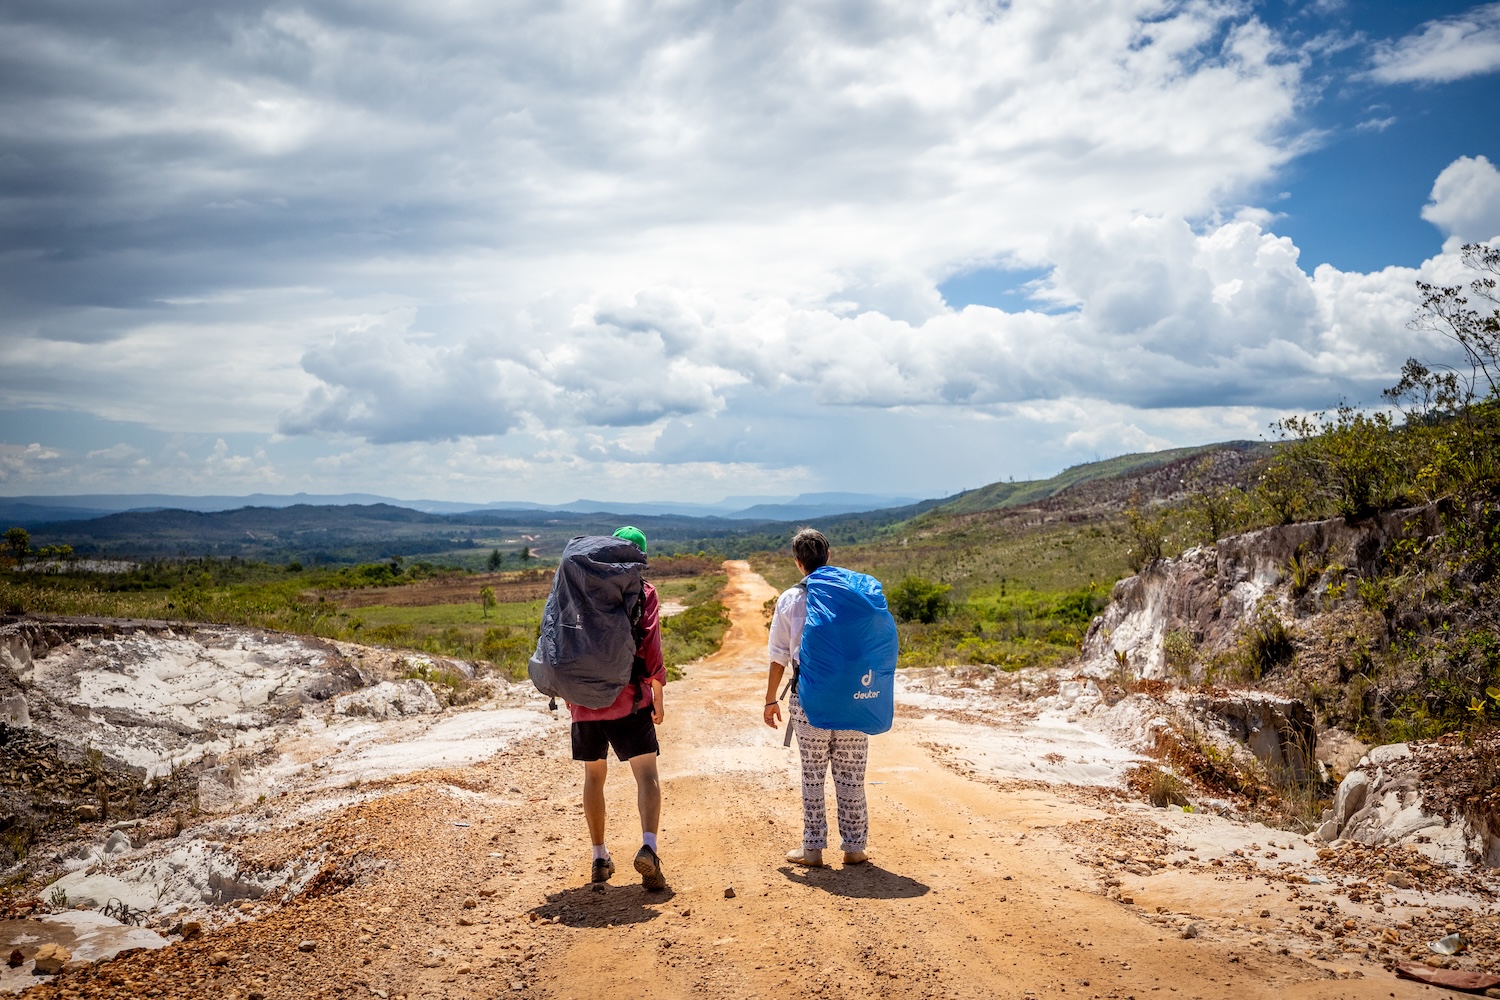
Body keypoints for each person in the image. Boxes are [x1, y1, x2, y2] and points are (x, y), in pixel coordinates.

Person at [568, 525, 668, 890]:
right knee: (647, 775)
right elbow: (651, 644)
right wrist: (658, 693)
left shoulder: (580, 589)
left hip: (583, 699)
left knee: (594, 777)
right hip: (628, 698)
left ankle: (598, 857)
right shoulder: (643, 591)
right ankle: (648, 847)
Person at [763, 527, 869, 867]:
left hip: (809, 698)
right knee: (851, 775)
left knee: (813, 774)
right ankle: (854, 848)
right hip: (855, 697)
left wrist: (770, 700)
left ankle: (812, 850)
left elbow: (779, 656)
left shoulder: (790, 599)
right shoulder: (853, 594)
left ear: (798, 563)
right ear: (828, 556)